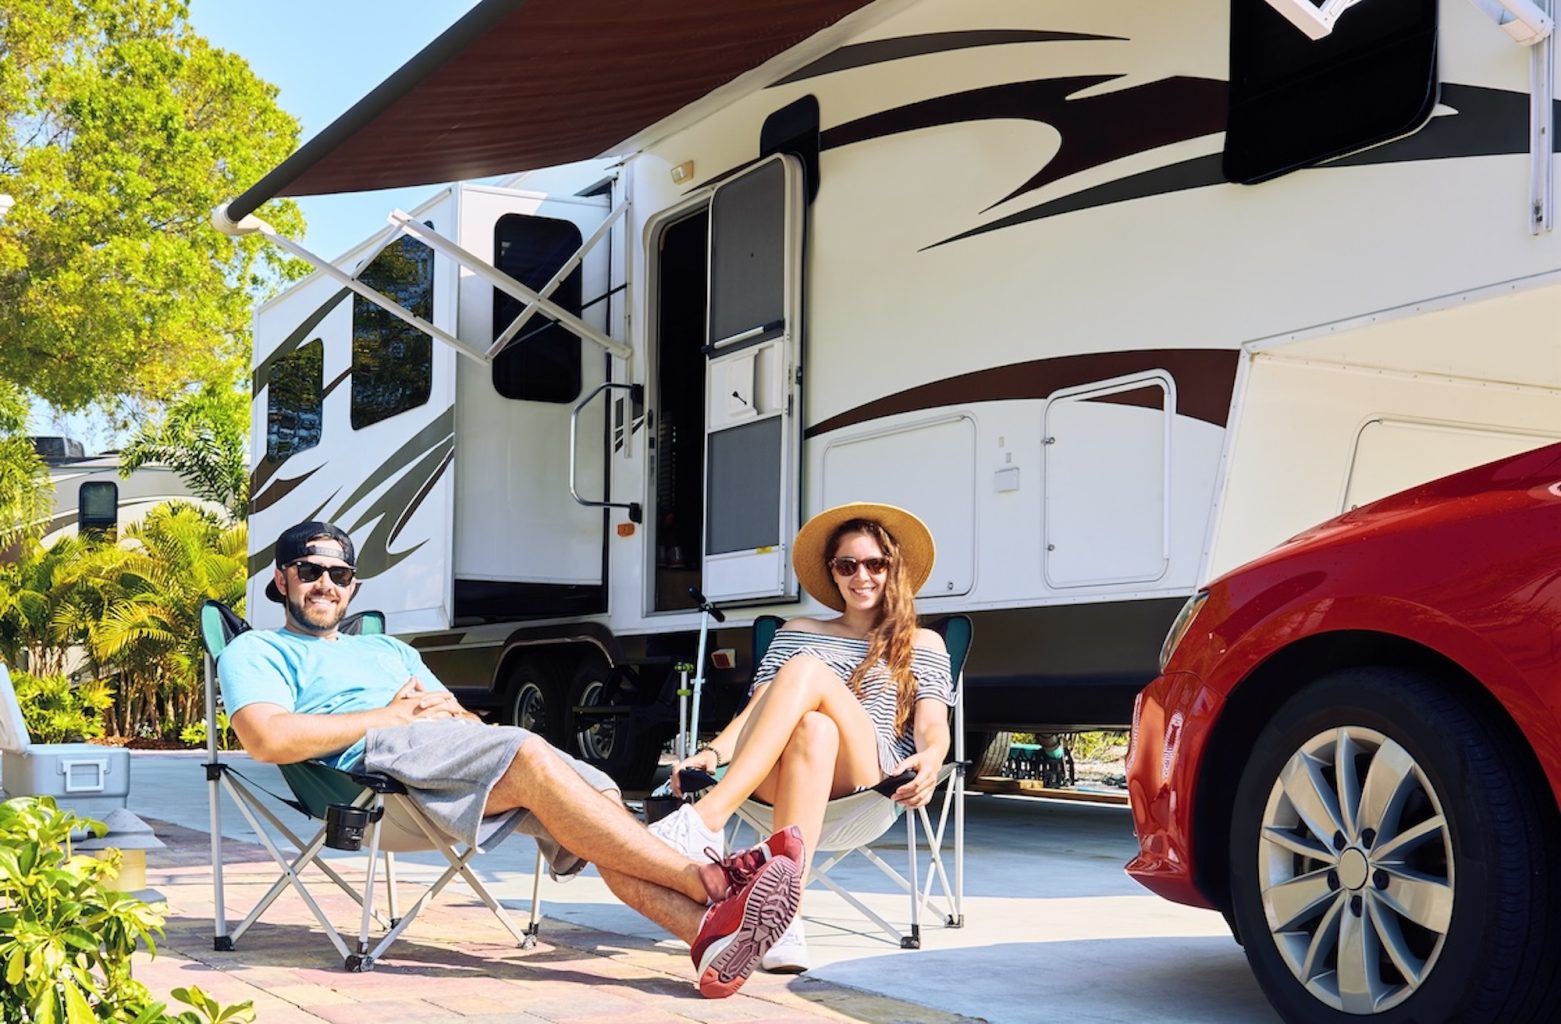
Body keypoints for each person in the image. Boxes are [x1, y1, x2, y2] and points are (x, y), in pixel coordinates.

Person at [218, 520, 803, 998]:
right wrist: (391, 717)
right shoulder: (257, 648)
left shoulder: (388, 649)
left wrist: (453, 720)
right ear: (281, 578)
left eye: (339, 574)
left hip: (444, 764)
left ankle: (706, 936)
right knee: (526, 750)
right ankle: (711, 881)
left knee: (593, 796)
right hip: (369, 781)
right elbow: (265, 740)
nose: (326, 584)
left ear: (353, 586)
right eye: (311, 571)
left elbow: (462, 724)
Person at [651, 503, 953, 972]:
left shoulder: (922, 643)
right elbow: (758, 711)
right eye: (847, 565)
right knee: (814, 727)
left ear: (893, 569)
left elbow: (932, 724)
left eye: (875, 564)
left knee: (808, 671)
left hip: (867, 779)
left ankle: (703, 822)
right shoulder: (798, 631)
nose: (862, 576)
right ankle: (784, 918)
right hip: (783, 774)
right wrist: (712, 753)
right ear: (832, 573)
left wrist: (933, 758)